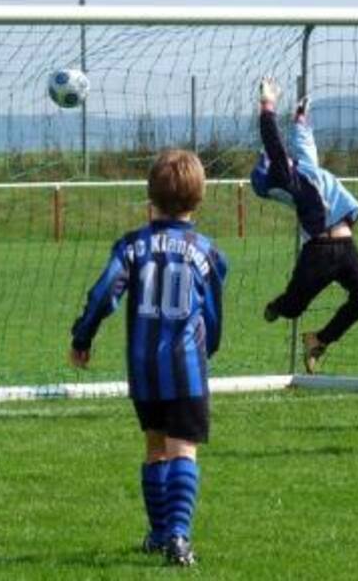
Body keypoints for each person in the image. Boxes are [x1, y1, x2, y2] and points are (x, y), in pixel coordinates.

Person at [69, 149, 228, 565]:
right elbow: (211, 314)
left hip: (143, 370)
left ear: (149, 196)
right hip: (186, 369)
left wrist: (83, 335)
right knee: (183, 449)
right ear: (198, 199)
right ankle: (178, 536)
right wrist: (207, 347)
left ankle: (158, 533)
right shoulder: (207, 252)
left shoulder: (131, 246)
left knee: (155, 447)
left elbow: (104, 294)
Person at [250, 76, 358, 374]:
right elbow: (274, 142)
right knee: (293, 308)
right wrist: (267, 105)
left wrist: (300, 116)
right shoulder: (286, 178)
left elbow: (302, 139)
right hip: (318, 251)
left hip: (346, 247)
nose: (278, 157)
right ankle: (279, 305)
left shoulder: (304, 166)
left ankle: (318, 339)